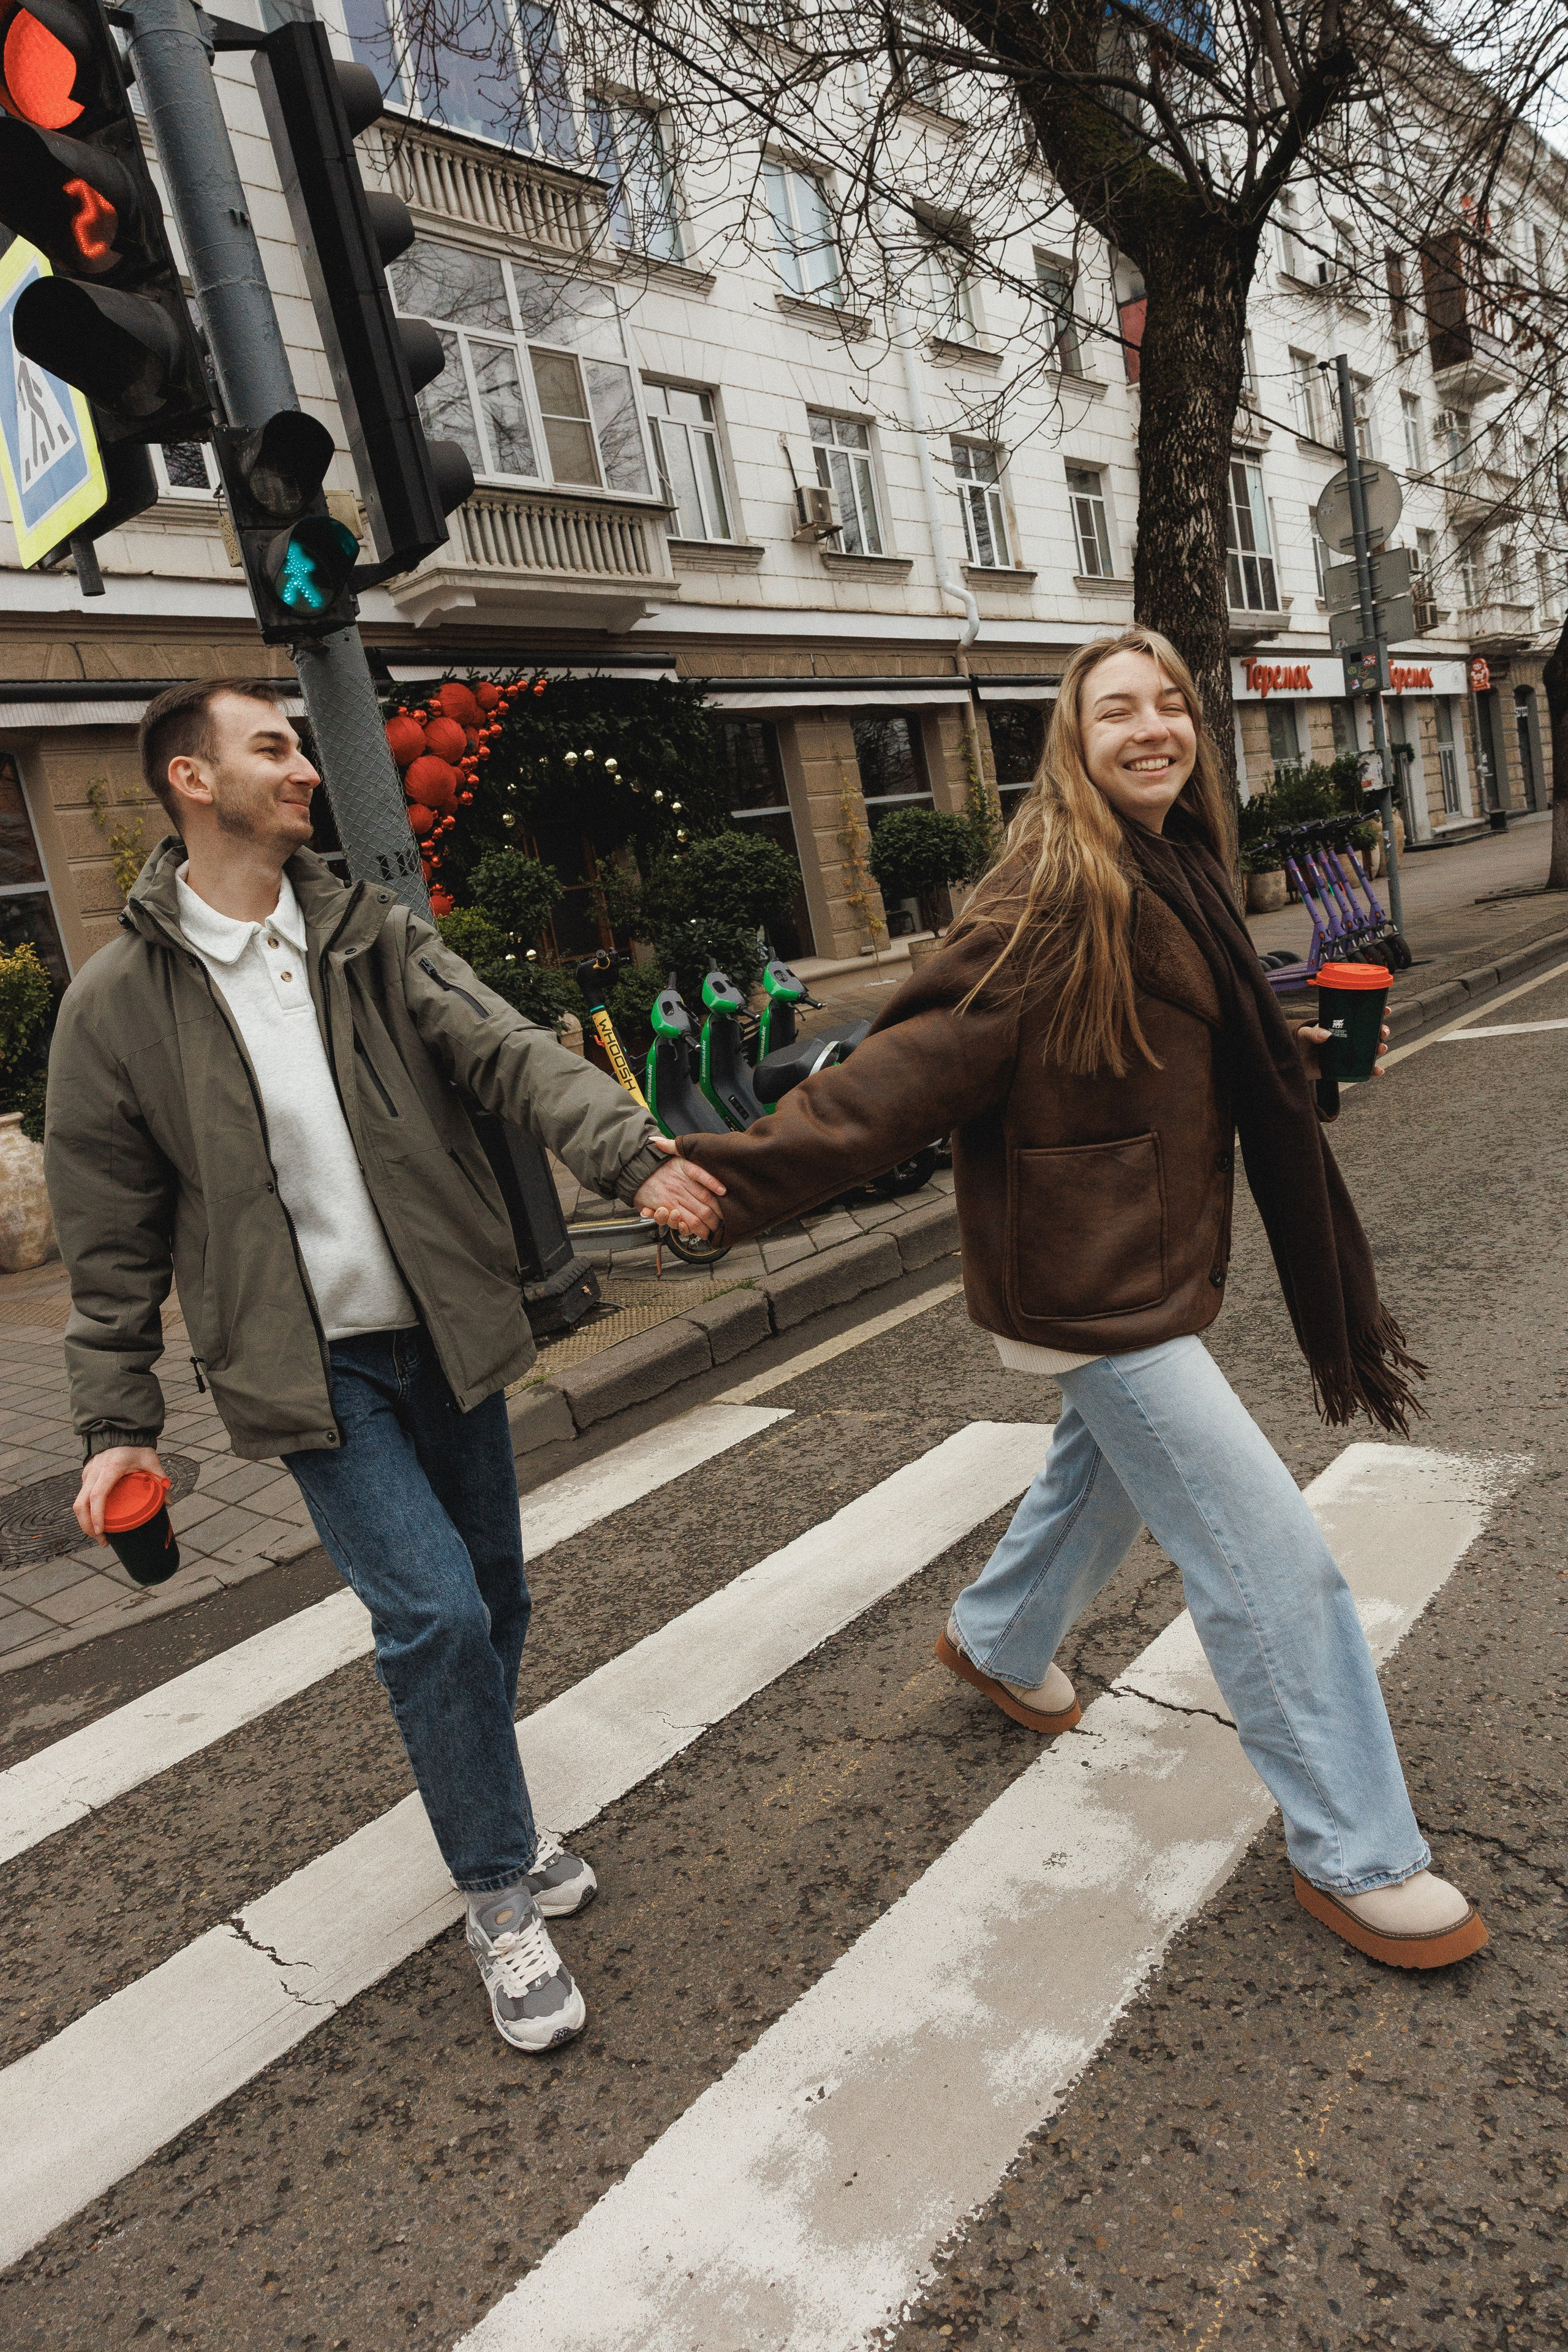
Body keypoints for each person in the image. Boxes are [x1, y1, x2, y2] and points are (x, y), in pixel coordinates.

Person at [677, 627, 1487, 1973]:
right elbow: (907, 1069)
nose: (1151, 725)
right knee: (1265, 1558)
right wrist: (732, 1180)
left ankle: (1000, 1640)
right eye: (1116, 709)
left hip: (1130, 1257)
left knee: (1098, 1475)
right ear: (1074, 741)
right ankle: (1355, 1852)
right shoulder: (1057, 888)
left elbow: (1179, 1049)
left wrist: (1302, 1062)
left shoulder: (1172, 869)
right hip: (1083, 1274)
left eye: (1168, 702)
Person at [45, 678, 724, 2054]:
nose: (303, 768)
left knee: (490, 1598)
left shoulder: (365, 937)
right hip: (309, 1369)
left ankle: (500, 1826)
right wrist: (116, 1425)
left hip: (443, 1322)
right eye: (272, 747)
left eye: (301, 743)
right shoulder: (118, 1004)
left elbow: (509, 1054)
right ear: (192, 778)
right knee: (435, 1618)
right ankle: (494, 1897)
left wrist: (634, 1157)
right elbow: (106, 1235)